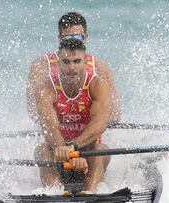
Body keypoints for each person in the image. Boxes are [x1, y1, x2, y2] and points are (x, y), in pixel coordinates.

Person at [33, 38, 113, 193]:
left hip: (88, 153)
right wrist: (63, 149)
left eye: (77, 61)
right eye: (66, 62)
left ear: (86, 62)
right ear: (58, 64)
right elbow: (48, 125)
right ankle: (54, 195)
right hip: (58, 152)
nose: (72, 68)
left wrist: (75, 148)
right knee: (42, 151)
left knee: (100, 150)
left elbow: (99, 124)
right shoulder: (46, 88)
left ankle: (90, 194)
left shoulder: (97, 85)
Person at [27, 12, 120, 125]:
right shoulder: (41, 66)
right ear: (59, 39)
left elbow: (114, 115)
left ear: (85, 38)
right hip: (54, 130)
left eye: (77, 37)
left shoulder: (100, 68)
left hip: (90, 134)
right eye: (67, 38)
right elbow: (34, 112)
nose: (73, 42)